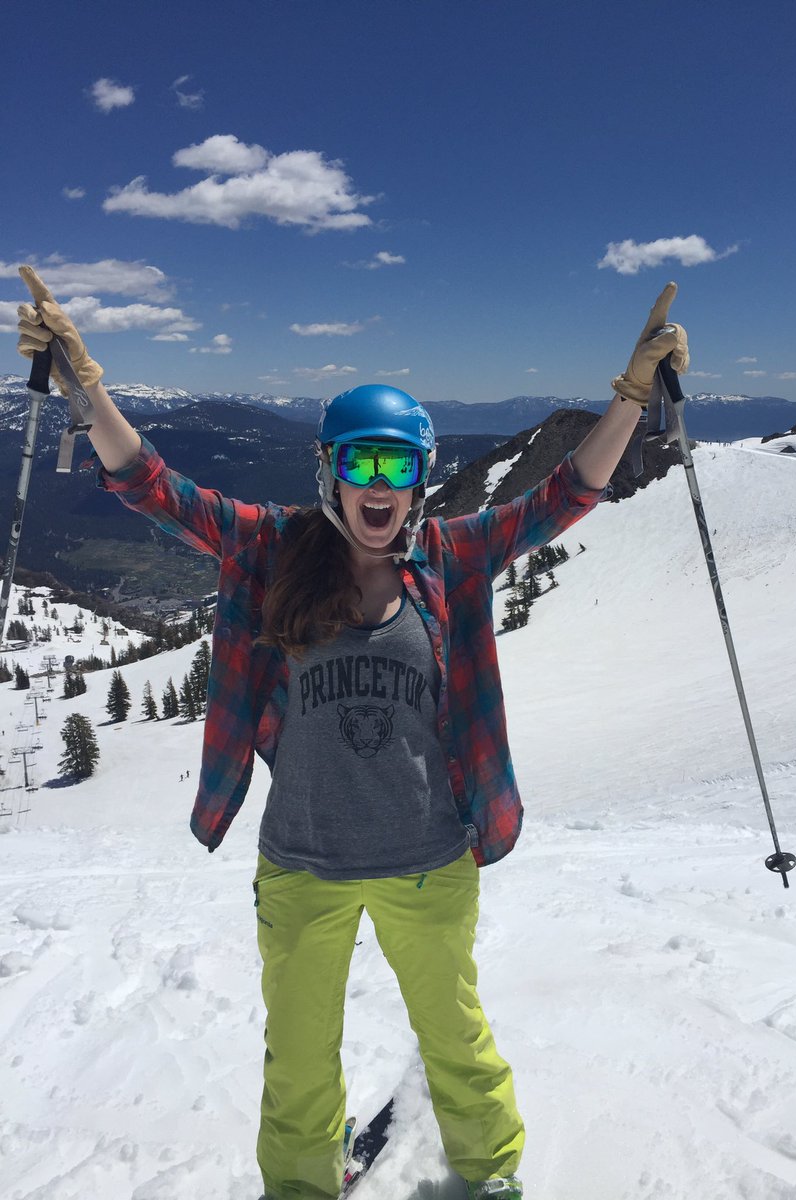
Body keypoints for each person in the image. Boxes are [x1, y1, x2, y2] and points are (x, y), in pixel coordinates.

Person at [16, 266, 688, 1200]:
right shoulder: (270, 548)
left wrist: (630, 397)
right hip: (301, 868)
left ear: (419, 478)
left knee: (456, 1040)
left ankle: (492, 1180)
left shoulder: (455, 556)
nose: (381, 485)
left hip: (431, 862)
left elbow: (564, 496)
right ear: (329, 471)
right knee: (297, 1068)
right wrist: (87, 392)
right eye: (360, 464)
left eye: (399, 466)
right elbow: (155, 487)